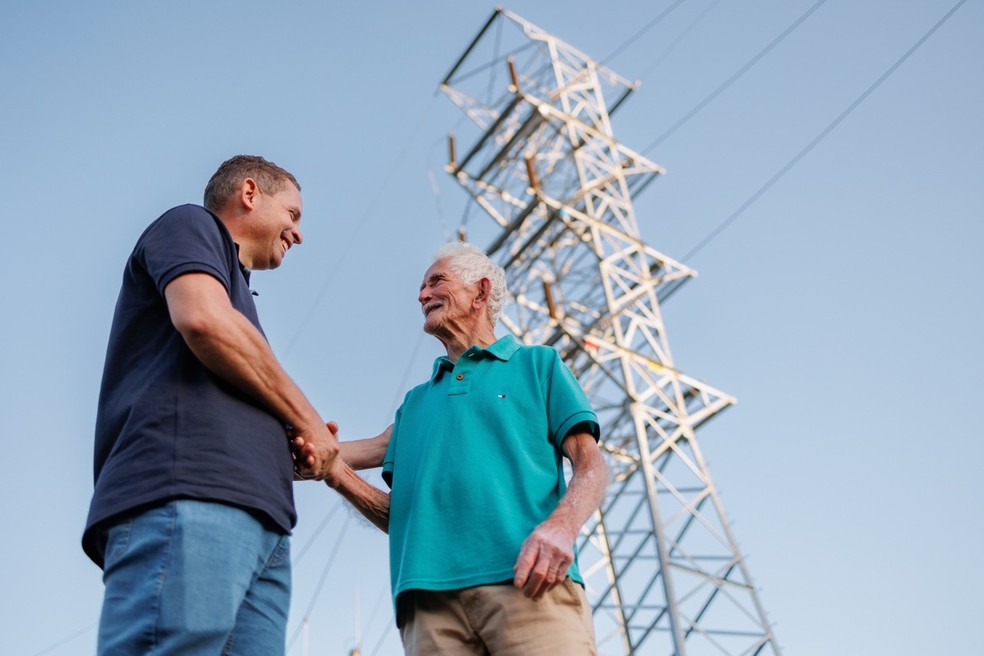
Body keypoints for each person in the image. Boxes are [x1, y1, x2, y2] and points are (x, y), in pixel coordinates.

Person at [83, 155, 350, 655]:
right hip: (188, 493)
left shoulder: (244, 301)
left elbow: (297, 438)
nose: (298, 234)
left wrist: (317, 441)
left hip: (265, 526)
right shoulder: (191, 224)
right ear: (250, 193)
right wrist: (305, 416)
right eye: (293, 215)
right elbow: (205, 321)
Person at [316, 241, 610, 655]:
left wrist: (563, 525)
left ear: (480, 292)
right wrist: (324, 466)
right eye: (421, 287)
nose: (421, 295)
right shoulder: (415, 405)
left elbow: (591, 464)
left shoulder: (538, 366)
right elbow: (388, 505)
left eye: (436, 281)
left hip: (530, 583)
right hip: (428, 606)